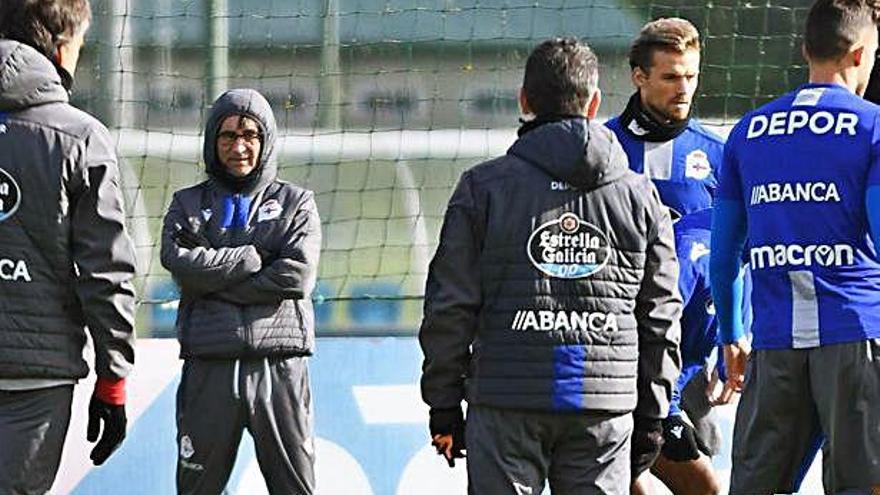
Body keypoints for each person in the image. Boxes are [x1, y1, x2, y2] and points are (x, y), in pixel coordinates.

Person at [419, 37, 682, 494]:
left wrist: (443, 402)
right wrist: (653, 411)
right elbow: (661, 313)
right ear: (594, 102)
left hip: (506, 400)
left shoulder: (483, 189)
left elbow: (450, 305)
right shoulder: (640, 196)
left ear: (524, 101)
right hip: (603, 407)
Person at [711, 1, 880, 493]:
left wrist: (731, 333)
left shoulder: (749, 131)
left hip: (774, 344)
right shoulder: (872, 127)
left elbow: (724, 261)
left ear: (806, 49)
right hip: (856, 339)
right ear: (857, 54)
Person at [0, 0, 137, 492]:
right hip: (37, 378)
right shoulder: (80, 137)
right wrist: (113, 381)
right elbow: (106, 273)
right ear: (61, 48)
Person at [161, 88, 321, 495]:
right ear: (213, 142)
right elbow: (178, 261)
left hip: (280, 366)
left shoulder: (296, 202)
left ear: (265, 141)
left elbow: (295, 276)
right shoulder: (187, 204)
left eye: (250, 135)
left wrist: (214, 282)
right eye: (228, 135)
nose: (239, 146)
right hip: (209, 365)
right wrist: (252, 259)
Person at [605, 18, 724, 218]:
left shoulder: (719, 152)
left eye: (690, 77)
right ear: (639, 77)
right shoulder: (603, 147)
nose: (684, 90)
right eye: (671, 78)